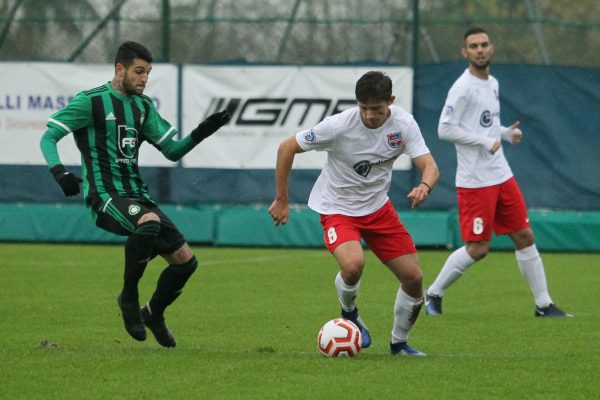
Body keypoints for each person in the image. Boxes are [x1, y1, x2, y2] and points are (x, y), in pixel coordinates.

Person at [39, 41, 231, 347]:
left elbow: (172, 150)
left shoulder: (143, 107)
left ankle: (153, 313)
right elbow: (49, 136)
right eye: (138, 71)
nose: (144, 78)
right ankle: (129, 297)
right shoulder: (92, 102)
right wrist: (59, 171)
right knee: (149, 221)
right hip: (104, 195)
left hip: (136, 195)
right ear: (120, 69)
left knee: (185, 262)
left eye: (148, 73)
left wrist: (201, 132)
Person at [268, 71, 439, 356]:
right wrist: (282, 199)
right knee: (352, 265)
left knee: (414, 279)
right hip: (338, 208)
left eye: (378, 109)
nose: (371, 115)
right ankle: (350, 313)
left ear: (391, 102)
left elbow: (430, 165)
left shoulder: (404, 124)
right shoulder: (337, 126)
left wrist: (424, 186)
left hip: (378, 209)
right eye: (364, 108)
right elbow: (287, 148)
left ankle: (399, 343)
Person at [425, 27, 571, 318]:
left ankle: (543, 305)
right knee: (478, 248)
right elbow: (444, 129)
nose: (480, 50)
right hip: (475, 180)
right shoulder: (462, 87)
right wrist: (485, 141)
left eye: (484, 44)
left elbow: (486, 124)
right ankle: (433, 293)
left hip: (501, 174)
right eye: (473, 46)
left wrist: (505, 134)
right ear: (464, 52)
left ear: (491, 48)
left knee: (525, 236)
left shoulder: (492, 83)